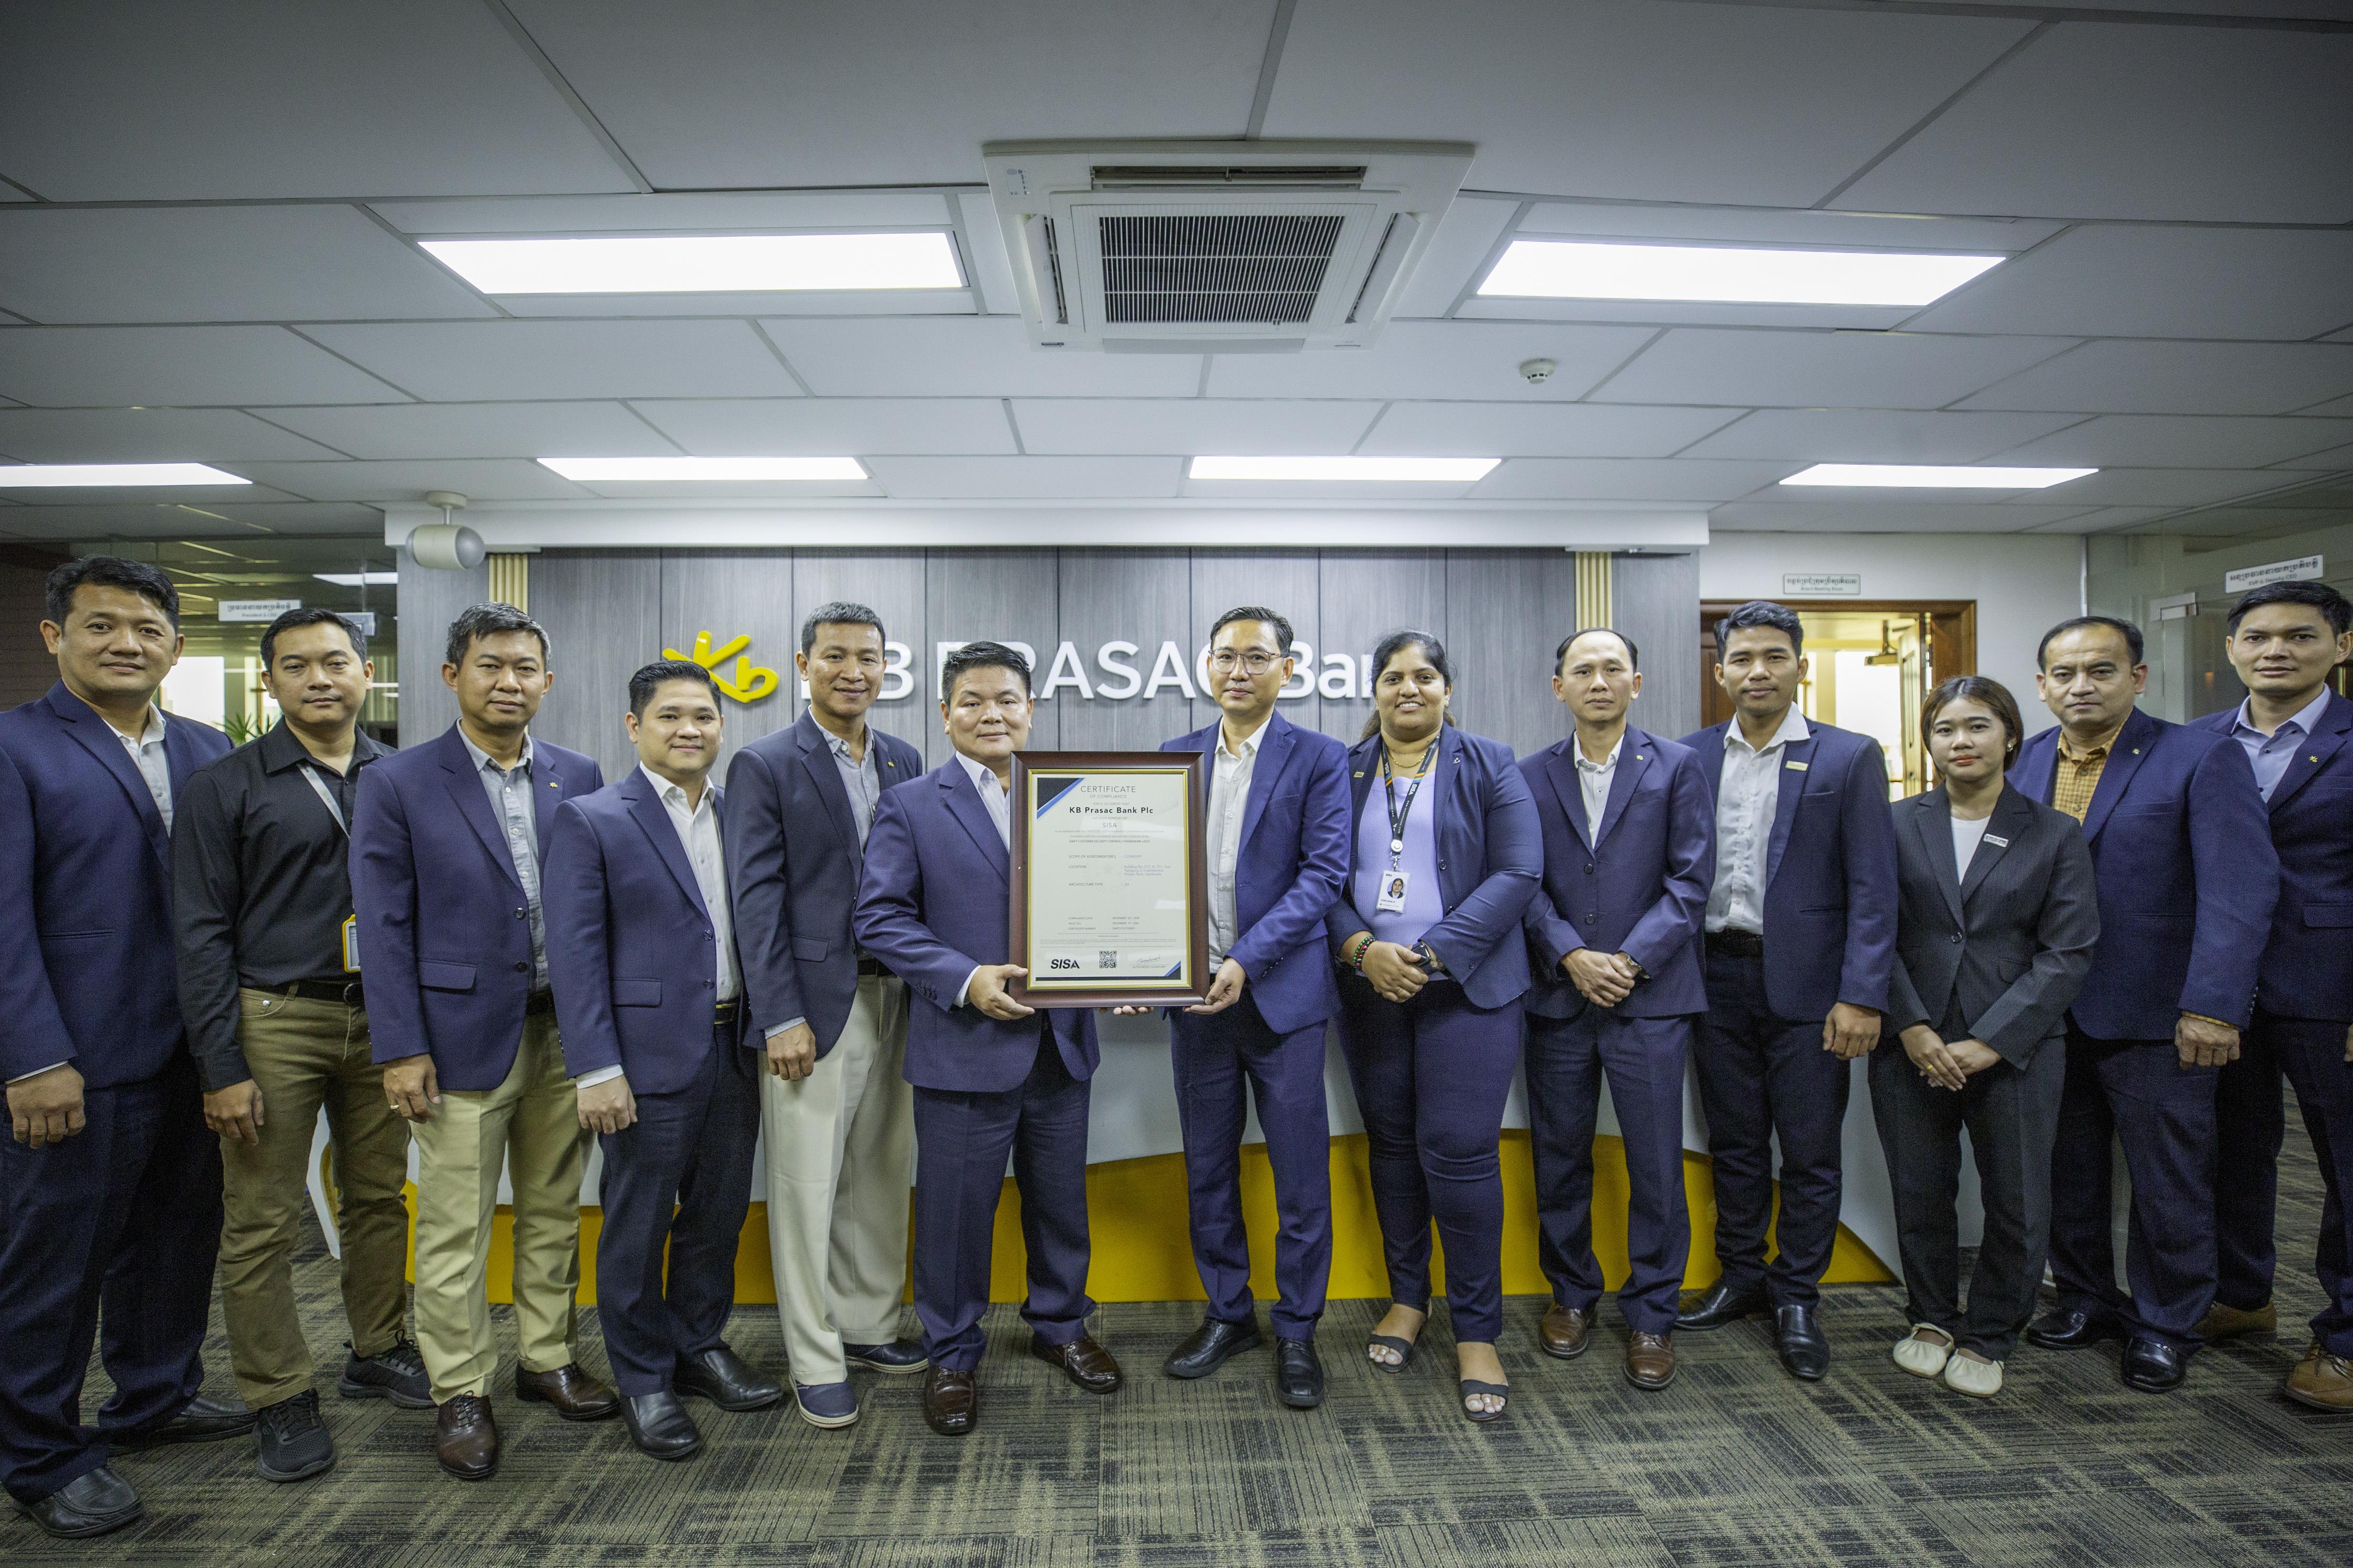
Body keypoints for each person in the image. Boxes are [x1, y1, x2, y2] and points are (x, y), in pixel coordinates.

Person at [0, 556, 243, 1537]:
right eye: (101, 626)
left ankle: (154, 1395)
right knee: (54, 1266)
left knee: (176, 1241)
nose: (126, 644)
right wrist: (31, 1057)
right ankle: (39, 1453)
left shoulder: (208, 748)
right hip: (76, 1061)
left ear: (175, 647)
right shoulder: (15, 748)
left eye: (146, 629)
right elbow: (4, 920)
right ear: (55, 637)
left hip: (194, 1052)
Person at [351, 604, 618, 1480]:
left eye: (525, 668)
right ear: (452, 675)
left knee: (553, 1208)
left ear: (548, 680)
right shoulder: (397, 781)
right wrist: (400, 1046)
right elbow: (383, 925)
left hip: (561, 1032)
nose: (509, 682)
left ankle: (547, 1356)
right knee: (455, 1228)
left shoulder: (577, 772)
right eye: (491, 665)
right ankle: (460, 1387)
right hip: (455, 1039)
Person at [172, 608, 423, 1484]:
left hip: (383, 1017)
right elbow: (200, 931)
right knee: (262, 1219)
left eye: (336, 661)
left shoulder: (402, 776)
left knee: (379, 1197)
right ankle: (278, 1392)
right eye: (297, 665)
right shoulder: (224, 785)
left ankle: (379, 1346)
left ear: (366, 673)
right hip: (275, 1015)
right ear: (268, 680)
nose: (320, 678)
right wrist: (221, 1065)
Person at [853, 642, 1119, 1437]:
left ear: (1030, 709)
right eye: (971, 701)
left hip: (1061, 1045)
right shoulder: (911, 805)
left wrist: (1129, 971)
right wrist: (967, 977)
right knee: (953, 1215)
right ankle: (953, 1352)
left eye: (1007, 699)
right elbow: (879, 918)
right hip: (964, 1044)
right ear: (945, 714)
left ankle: (1061, 1326)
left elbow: (1114, 898)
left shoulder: (1076, 795)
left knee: (1061, 1204)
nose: (991, 714)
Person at [2016, 615, 2277, 1393]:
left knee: (2170, 1178)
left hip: (2160, 1012)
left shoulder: (2199, 756)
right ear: (2042, 685)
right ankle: (2086, 1297)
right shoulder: (2027, 759)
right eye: (2065, 674)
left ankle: (2168, 1322)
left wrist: (2215, 1005)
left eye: (2101, 670)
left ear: (2137, 677)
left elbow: (2238, 889)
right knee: (2069, 1168)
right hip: (2049, 1010)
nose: (2081, 687)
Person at [545, 661, 780, 1461]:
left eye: (704, 716)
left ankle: (697, 1345)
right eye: (671, 715)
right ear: (634, 726)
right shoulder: (591, 818)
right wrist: (596, 1067)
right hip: (642, 1060)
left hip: (733, 1045)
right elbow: (575, 956)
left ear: (722, 726)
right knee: (638, 1225)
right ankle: (644, 1376)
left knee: (717, 1213)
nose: (690, 729)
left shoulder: (741, 810)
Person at [1675, 600, 1898, 1382]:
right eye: (1742, 658)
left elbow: (1874, 887)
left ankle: (1798, 1294)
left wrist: (1862, 994)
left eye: (1774, 656)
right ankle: (1742, 1274)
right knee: (1734, 1142)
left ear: (1799, 665)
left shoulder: (1848, 757)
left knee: (1808, 1150)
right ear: (1721, 671)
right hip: (1715, 978)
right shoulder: (1690, 756)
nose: (1758, 671)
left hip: (1811, 989)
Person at [1140, 606, 1350, 1410]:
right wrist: (1136, 968)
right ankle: (1229, 1312)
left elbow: (1322, 875)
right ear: (1206, 665)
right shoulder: (1173, 756)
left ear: (1286, 670)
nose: (1238, 669)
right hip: (1194, 1003)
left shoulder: (1319, 757)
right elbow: (1144, 871)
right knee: (1208, 1169)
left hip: (1282, 1000)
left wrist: (1244, 960)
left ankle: (1297, 1328)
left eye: (1256, 656)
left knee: (1300, 1178)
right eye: (1225, 655)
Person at [1328, 630, 1540, 1422]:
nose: (1408, 689)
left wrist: (1430, 953)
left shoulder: (1491, 763)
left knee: (1460, 1152)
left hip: (1468, 990)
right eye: (1393, 677)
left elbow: (1519, 871)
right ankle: (1409, 1297)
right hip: (1370, 990)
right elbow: (1319, 877)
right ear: (1375, 691)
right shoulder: (1343, 770)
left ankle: (1477, 1331)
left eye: (1424, 676)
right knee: (1391, 1146)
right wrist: (1362, 949)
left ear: (1448, 688)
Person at [725, 603, 928, 1430]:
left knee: (879, 1170)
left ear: (886, 667)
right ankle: (814, 1355)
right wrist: (779, 1015)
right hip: (810, 1008)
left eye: (869, 657)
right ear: (804, 664)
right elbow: (756, 899)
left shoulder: (904, 757)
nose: (854, 670)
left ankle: (869, 1323)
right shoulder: (765, 762)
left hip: (897, 995)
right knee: (806, 1187)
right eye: (836, 655)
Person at [1875, 676, 2098, 1399]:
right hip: (1912, 1040)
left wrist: (1992, 1041)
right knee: (1920, 1189)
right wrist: (1911, 1026)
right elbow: (1873, 932)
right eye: (1945, 729)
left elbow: (2068, 952)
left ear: (2010, 736)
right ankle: (1932, 1317)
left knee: (2017, 1197)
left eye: (1977, 726)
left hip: (2017, 1046)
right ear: (1928, 742)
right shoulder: (1894, 823)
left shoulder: (2054, 831)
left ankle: (1992, 1331)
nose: (1961, 741)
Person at [1520, 629, 1713, 1391]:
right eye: (1583, 670)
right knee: (1559, 1156)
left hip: (1650, 999)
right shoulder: (1529, 774)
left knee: (1656, 1164)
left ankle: (1653, 1313)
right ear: (1558, 686)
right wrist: (1571, 954)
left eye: (1612, 669)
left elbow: (1691, 882)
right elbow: (1521, 881)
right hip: (1559, 997)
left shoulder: (1678, 766)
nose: (1598, 681)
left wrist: (1629, 961)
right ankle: (1571, 1294)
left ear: (1636, 682)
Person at [2196, 581, 2353, 1411]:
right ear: (2232, 650)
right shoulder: (2194, 743)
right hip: (2219, 988)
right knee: (2232, 1149)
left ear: (2342, 646)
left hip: (2329, 987)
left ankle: (2346, 1337)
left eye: (2300, 635)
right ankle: (2242, 1292)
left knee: (2345, 1166)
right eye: (2258, 637)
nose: (2276, 651)